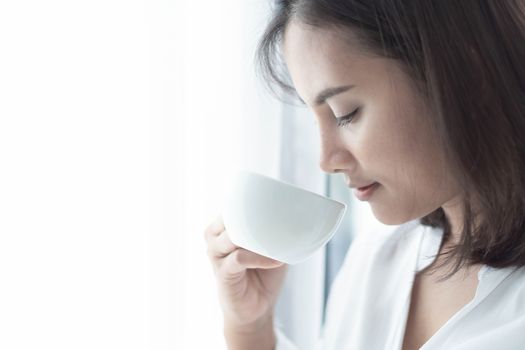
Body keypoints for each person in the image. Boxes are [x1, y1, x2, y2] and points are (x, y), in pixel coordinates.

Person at [204, 1, 525, 349]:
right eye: (317, 120)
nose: (326, 161)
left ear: (464, 74)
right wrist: (250, 327)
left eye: (346, 113)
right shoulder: (376, 260)